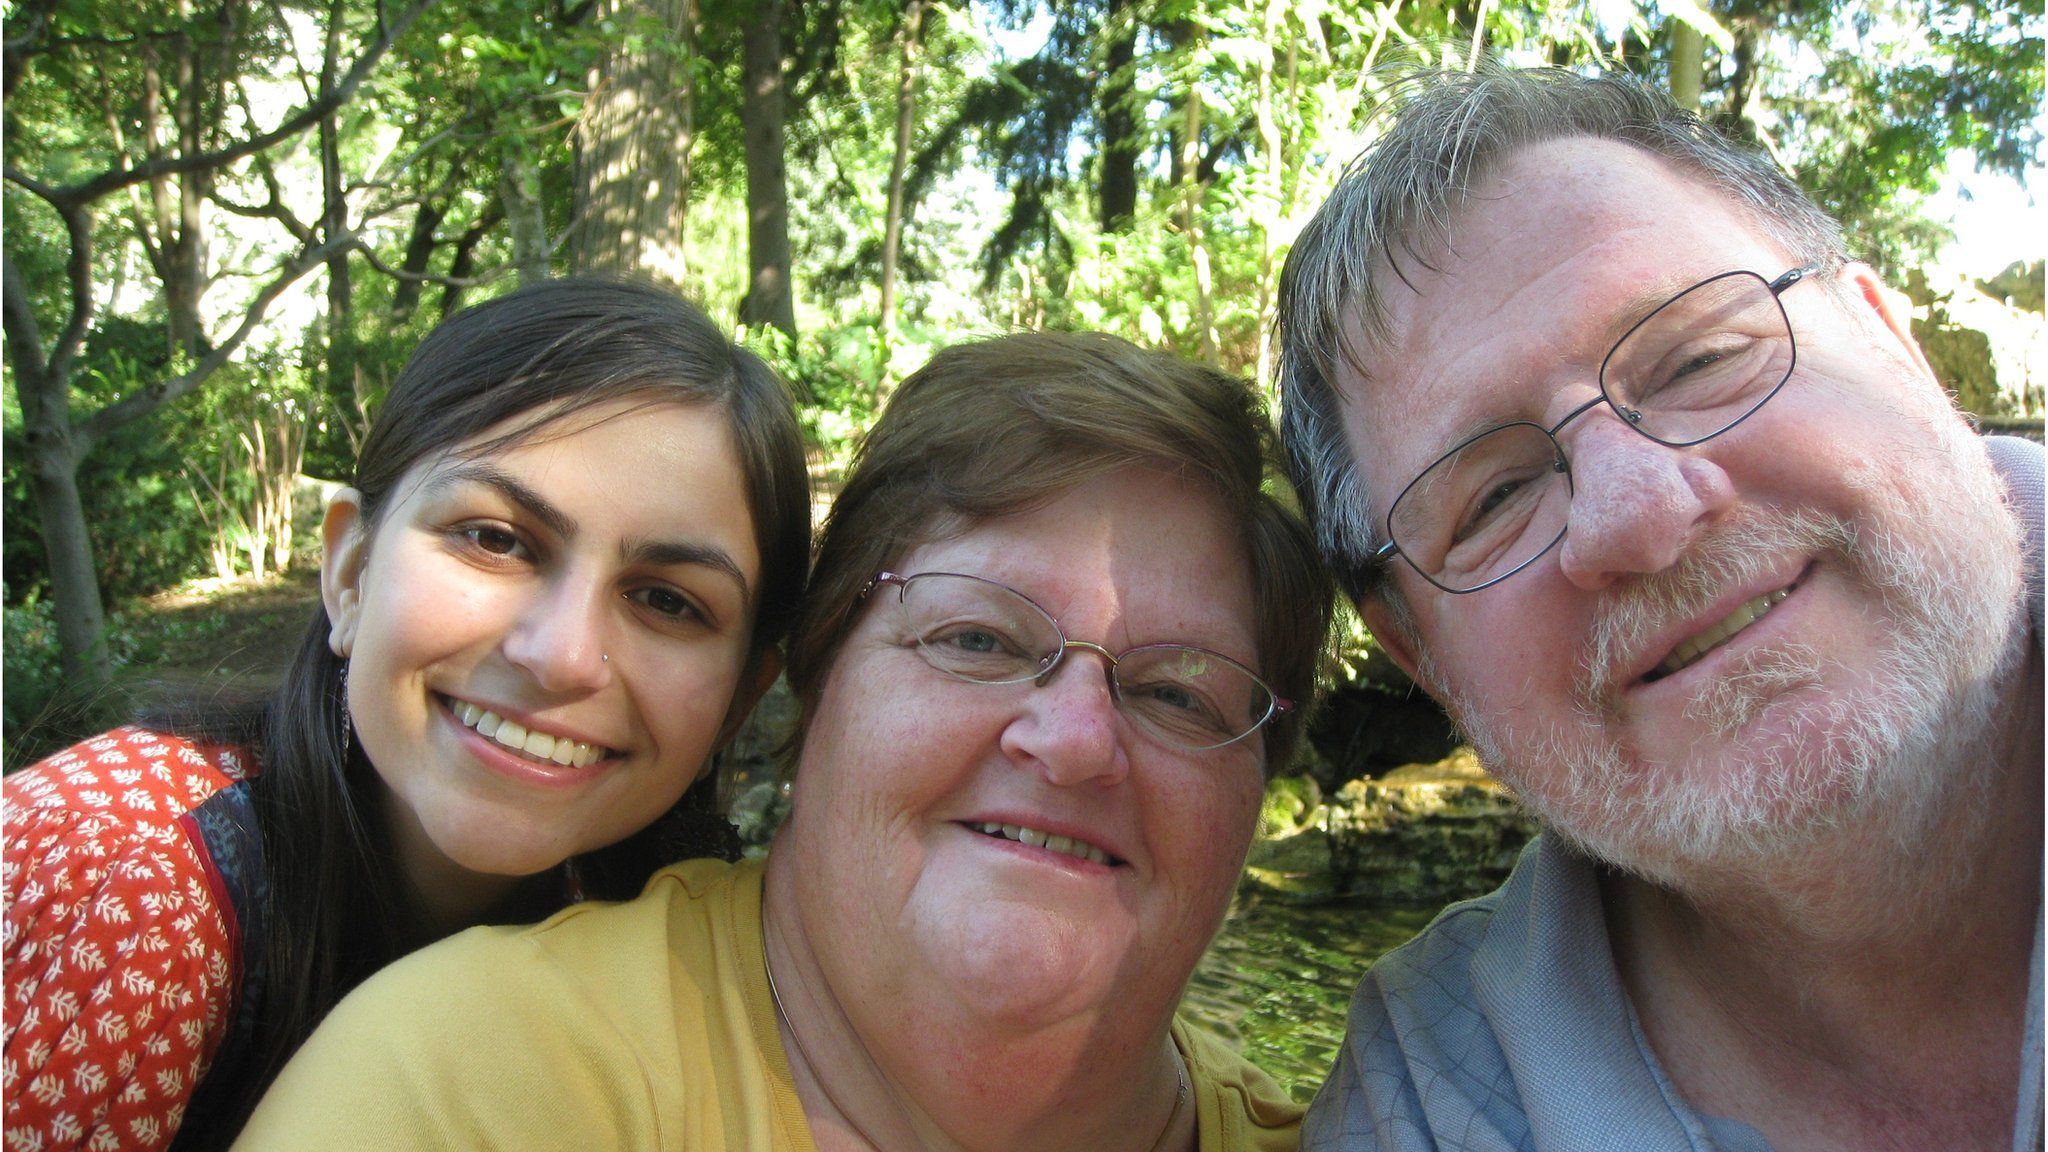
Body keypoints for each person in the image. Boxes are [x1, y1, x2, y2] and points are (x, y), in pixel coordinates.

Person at [229, 332, 1335, 1151]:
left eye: (1182, 695)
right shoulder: (477, 1089)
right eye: (976, 637)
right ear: (813, 678)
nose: (1077, 739)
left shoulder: (1368, 1130)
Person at [1273, 66, 2043, 1151]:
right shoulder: (1435, 1095)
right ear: (1419, 656)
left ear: (1891, 341)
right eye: (1492, 497)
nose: (1636, 512)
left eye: (1699, 358)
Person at [2, 278, 813, 1152]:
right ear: (350, 571)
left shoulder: (664, 963)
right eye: (496, 540)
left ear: (737, 702)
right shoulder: (124, 882)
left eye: (665, 599)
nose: (564, 656)